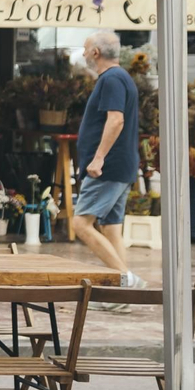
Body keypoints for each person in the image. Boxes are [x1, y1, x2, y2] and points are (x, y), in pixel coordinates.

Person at [72, 30, 142, 288]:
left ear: (96, 52)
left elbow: (116, 120)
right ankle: (122, 294)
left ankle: (127, 279)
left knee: (81, 224)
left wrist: (98, 158)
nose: (83, 53)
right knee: (111, 228)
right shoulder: (119, 78)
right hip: (119, 166)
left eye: (85, 48)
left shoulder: (112, 79)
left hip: (107, 168)